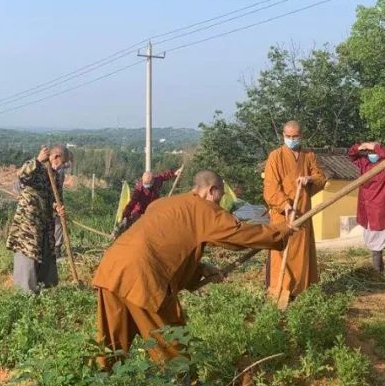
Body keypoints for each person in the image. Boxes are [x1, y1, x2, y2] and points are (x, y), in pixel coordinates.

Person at [92, 169, 295, 365]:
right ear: (211, 191)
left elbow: (169, 245)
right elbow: (239, 234)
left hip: (112, 269)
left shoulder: (164, 203)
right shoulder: (204, 208)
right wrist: (281, 231)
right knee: (172, 344)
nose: (220, 204)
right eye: (220, 197)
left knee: (111, 345)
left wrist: (201, 269)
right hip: (143, 277)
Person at [262, 120, 327, 299]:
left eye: (295, 136)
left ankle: (300, 291)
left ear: (301, 136)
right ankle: (279, 289)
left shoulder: (309, 155)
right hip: (282, 216)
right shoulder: (275, 156)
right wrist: (286, 205)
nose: (291, 139)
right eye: (288, 136)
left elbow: (321, 178)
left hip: (303, 213)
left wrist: (310, 179)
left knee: (301, 253)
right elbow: (270, 188)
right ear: (283, 136)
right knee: (280, 253)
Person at [7, 144, 71, 293]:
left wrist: (58, 208)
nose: (64, 167)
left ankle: (44, 289)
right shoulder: (36, 168)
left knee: (46, 257)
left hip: (45, 223)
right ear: (55, 157)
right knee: (28, 256)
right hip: (28, 224)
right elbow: (21, 175)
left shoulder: (56, 175)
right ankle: (25, 295)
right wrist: (37, 160)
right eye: (64, 163)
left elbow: (56, 198)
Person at [347, 140, 385, 273]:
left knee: (379, 238)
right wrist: (360, 147)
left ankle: (376, 271)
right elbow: (351, 155)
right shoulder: (364, 162)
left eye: (374, 151)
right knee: (371, 237)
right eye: (369, 152)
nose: (372, 154)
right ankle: (381, 269)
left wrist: (375, 146)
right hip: (366, 207)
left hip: (380, 207)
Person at [113, 167, 180, 237]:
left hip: (153, 208)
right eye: (145, 184)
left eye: (148, 184)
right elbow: (132, 203)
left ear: (153, 181)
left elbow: (164, 175)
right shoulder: (139, 189)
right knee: (132, 221)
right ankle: (120, 232)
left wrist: (174, 173)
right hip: (140, 211)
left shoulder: (157, 180)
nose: (146, 186)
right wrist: (125, 216)